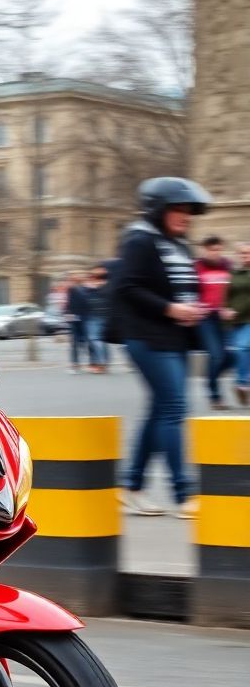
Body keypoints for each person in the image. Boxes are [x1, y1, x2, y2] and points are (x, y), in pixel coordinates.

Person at [115, 176, 211, 519]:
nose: (186, 216)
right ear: (158, 209)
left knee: (160, 411)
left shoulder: (179, 244)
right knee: (173, 408)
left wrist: (192, 307)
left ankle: (131, 487)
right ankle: (183, 494)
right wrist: (170, 309)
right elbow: (127, 287)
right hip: (147, 338)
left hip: (175, 337)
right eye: (178, 209)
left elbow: (182, 286)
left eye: (189, 210)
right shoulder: (139, 241)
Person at [193, 235, 234, 408]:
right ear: (204, 249)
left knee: (232, 356)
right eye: (211, 249)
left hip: (224, 317)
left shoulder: (227, 265)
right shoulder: (197, 267)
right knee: (216, 355)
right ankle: (214, 394)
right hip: (205, 318)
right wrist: (196, 306)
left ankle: (211, 376)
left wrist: (229, 307)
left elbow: (232, 290)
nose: (215, 253)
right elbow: (189, 290)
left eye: (218, 249)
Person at [229, 242, 250, 407]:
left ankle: (242, 383)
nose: (245, 256)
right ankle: (243, 384)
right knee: (238, 351)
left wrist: (236, 310)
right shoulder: (234, 273)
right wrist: (225, 309)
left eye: (248, 253)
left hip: (246, 318)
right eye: (242, 253)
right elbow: (227, 293)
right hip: (236, 320)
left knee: (243, 347)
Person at [84, 264, 111, 372]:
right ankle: (102, 363)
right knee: (100, 340)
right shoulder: (90, 286)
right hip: (94, 315)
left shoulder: (104, 285)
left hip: (98, 315)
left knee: (95, 339)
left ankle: (101, 364)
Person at [64, 271, 91, 373]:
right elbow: (68, 305)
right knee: (76, 342)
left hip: (81, 318)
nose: (67, 282)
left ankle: (79, 364)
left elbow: (83, 304)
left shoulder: (79, 290)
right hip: (75, 319)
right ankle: (75, 364)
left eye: (69, 280)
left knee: (82, 342)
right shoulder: (72, 290)